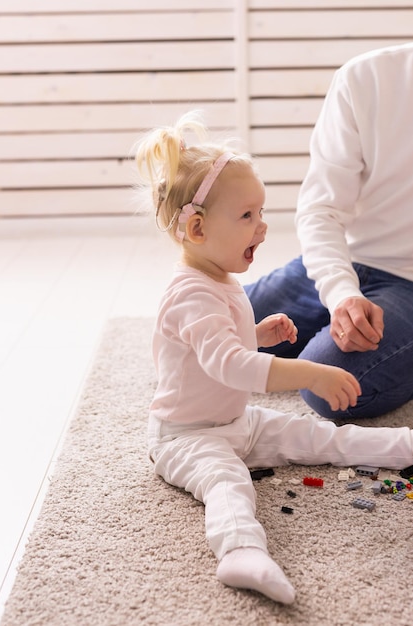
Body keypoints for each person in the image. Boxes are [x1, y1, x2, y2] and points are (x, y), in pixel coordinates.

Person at [134, 110, 413, 605]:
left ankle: (402, 447)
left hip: (235, 420)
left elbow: (222, 347)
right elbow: (228, 365)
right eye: (247, 216)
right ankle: (241, 553)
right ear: (196, 229)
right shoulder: (190, 294)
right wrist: (308, 371)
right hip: (187, 437)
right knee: (227, 481)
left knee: (317, 436)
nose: (262, 228)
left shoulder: (218, 279)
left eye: (260, 213)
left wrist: (256, 332)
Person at [245, 42, 413, 421]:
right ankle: (331, 325)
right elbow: (321, 209)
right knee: (210, 325)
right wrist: (341, 294)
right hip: (345, 259)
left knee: (325, 385)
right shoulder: (365, 77)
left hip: (409, 285)